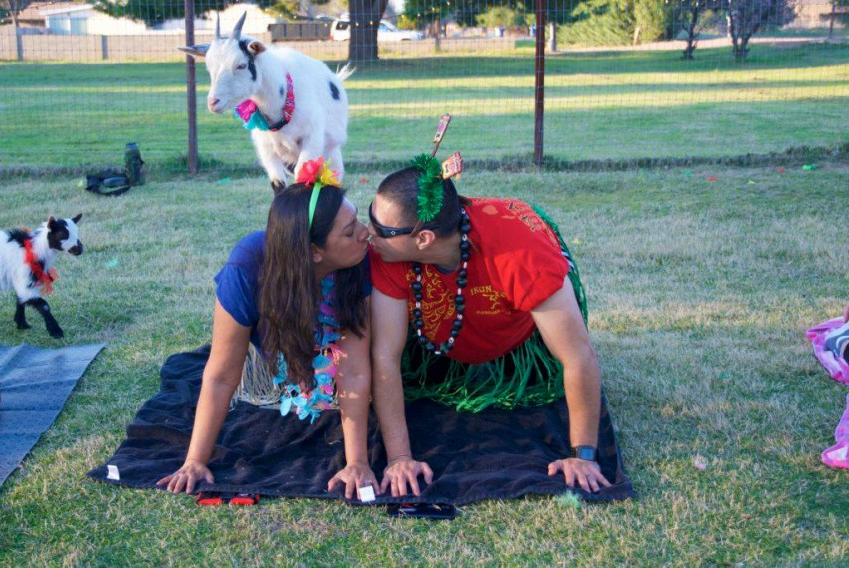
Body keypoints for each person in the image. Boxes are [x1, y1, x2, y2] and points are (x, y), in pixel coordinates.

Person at [367, 154, 613, 497]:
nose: (368, 233)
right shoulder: (389, 252)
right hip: (441, 339)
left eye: (381, 228)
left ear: (423, 239)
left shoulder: (519, 251)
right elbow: (385, 357)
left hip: (517, 337)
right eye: (370, 215)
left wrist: (583, 455)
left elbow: (578, 356)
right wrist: (399, 458)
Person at [157, 158, 378, 500]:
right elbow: (221, 375)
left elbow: (353, 369)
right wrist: (195, 460)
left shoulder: (357, 261)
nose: (365, 232)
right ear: (314, 252)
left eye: (357, 220)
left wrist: (357, 462)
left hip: (332, 363)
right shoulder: (247, 268)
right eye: (350, 231)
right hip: (275, 364)